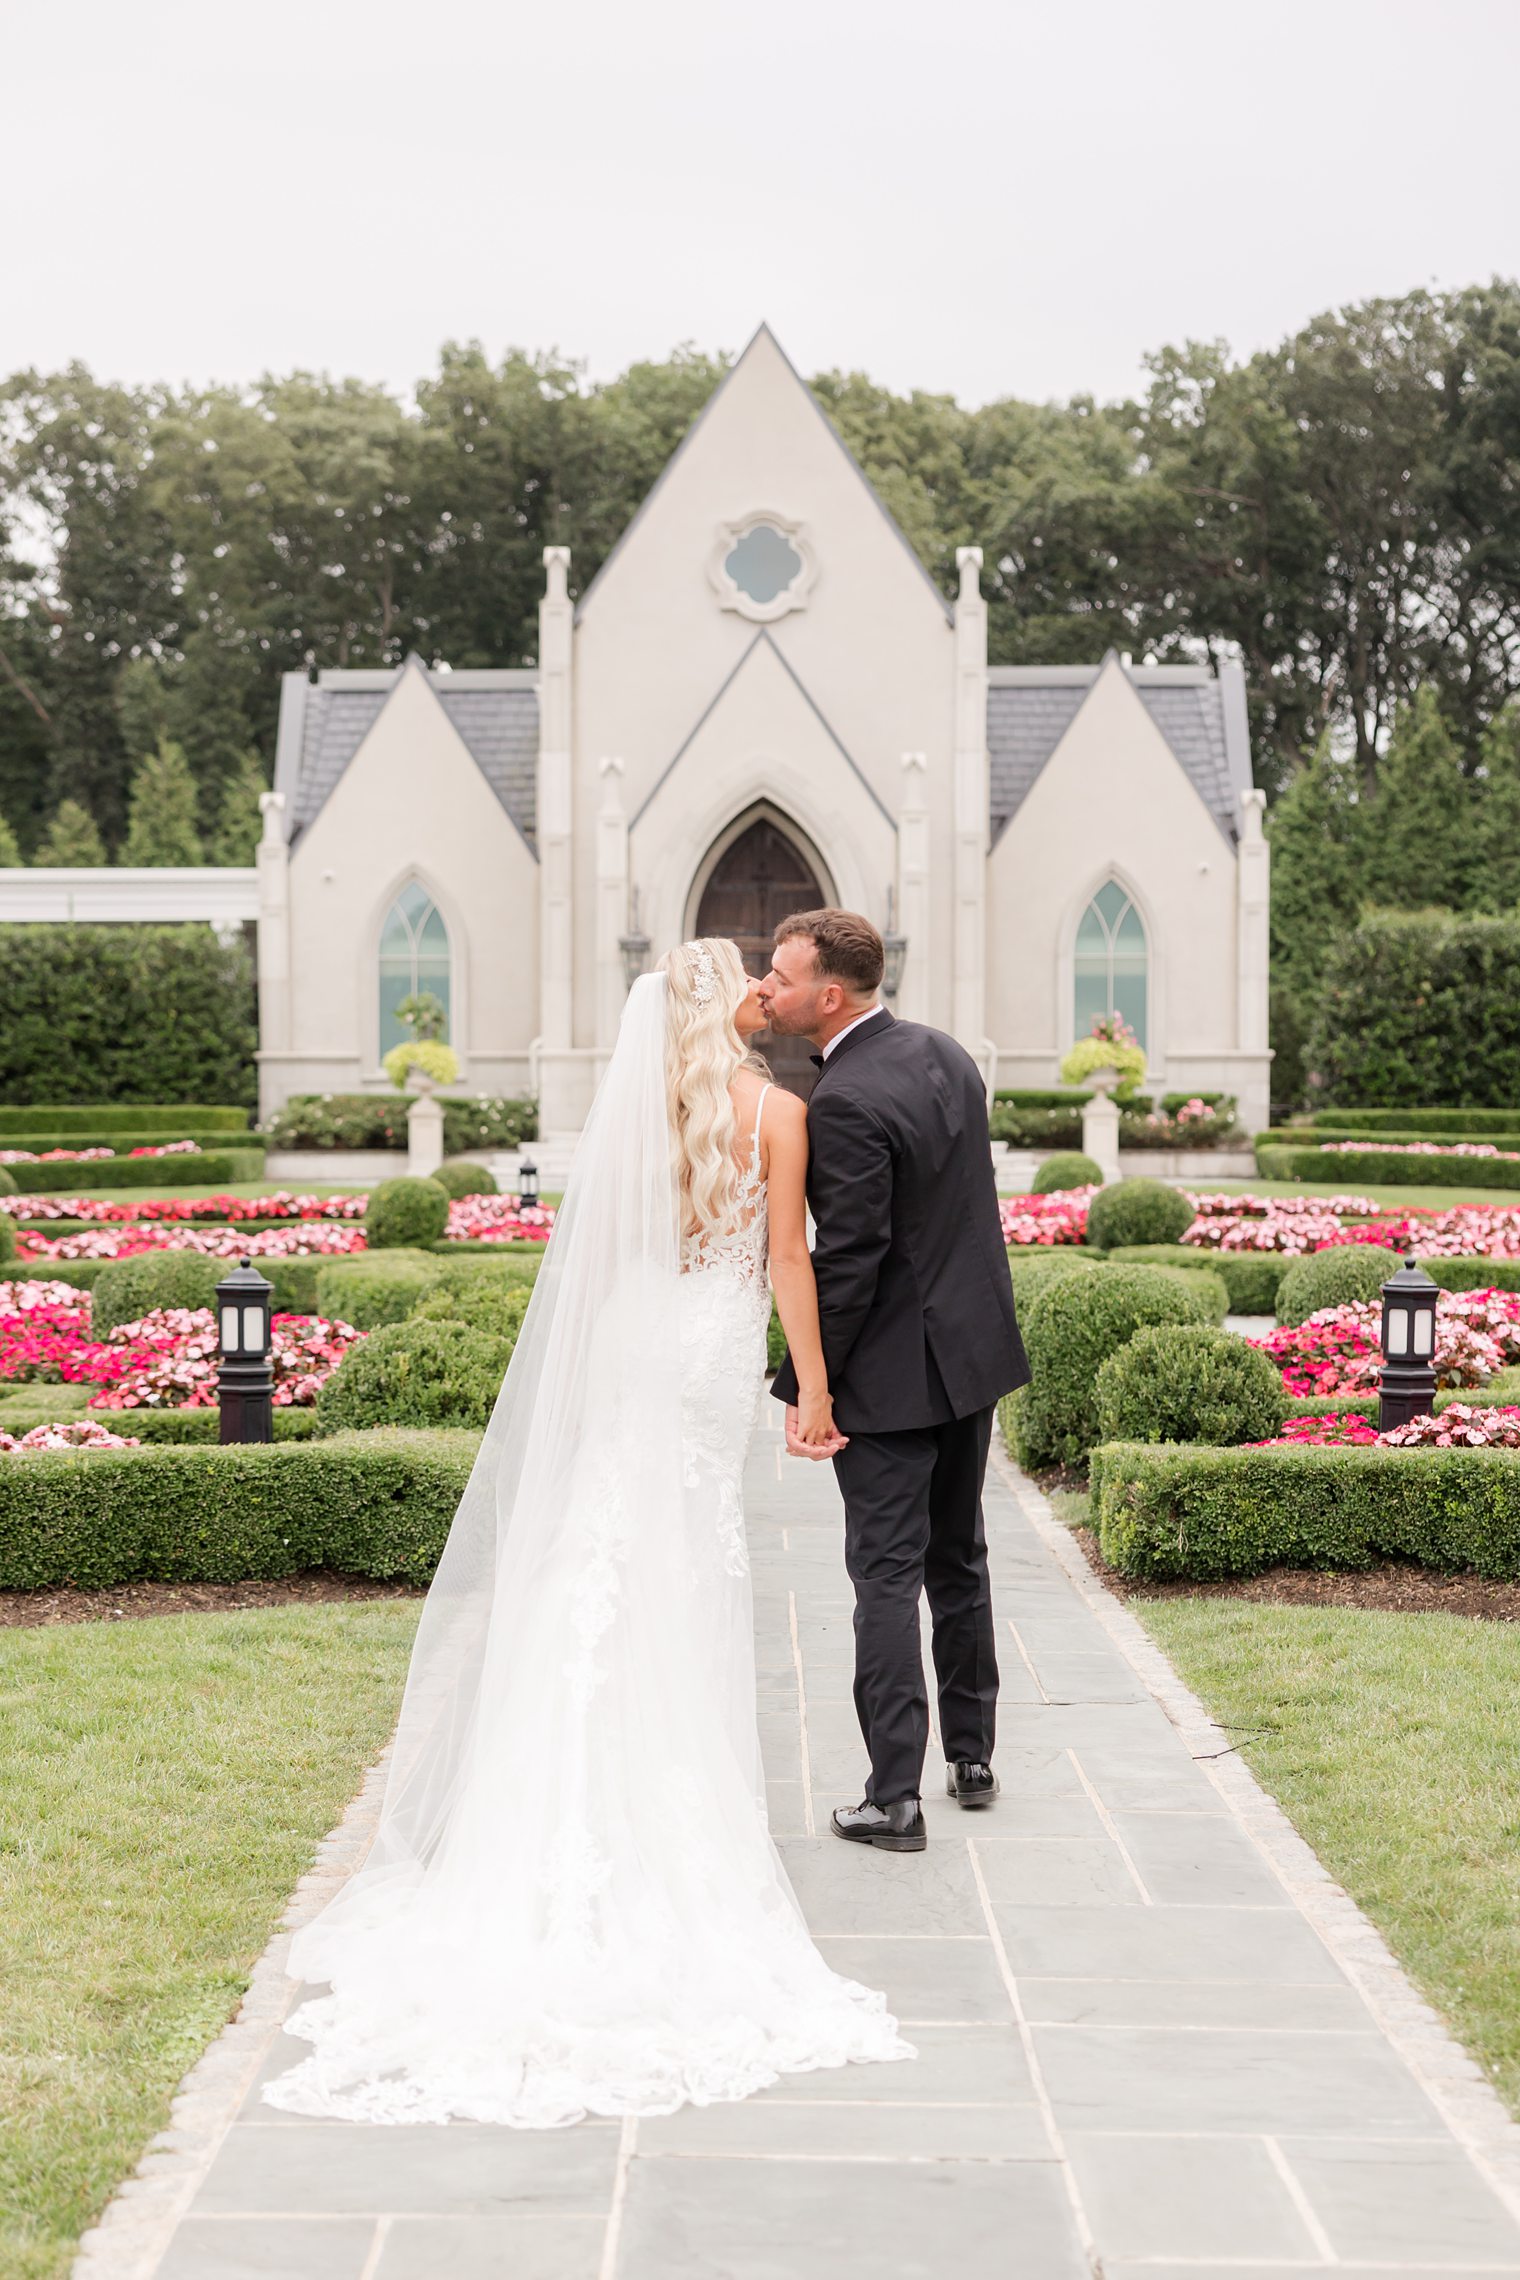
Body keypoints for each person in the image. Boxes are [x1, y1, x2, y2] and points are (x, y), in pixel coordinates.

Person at [262, 940, 910, 2129]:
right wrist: (812, 1392)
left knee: (601, 1540)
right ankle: (669, 1795)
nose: (767, 996)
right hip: (708, 1352)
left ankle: (561, 1779)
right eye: (750, 985)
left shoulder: (636, 1121)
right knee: (685, 1551)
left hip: (630, 1340)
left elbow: (604, 1267)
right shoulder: (775, 1113)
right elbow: (782, 1261)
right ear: (730, 1012)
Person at [762, 909, 1029, 1853]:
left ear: (829, 995)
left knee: (883, 1575)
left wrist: (807, 1384)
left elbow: (851, 1262)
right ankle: (972, 1753)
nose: (768, 988)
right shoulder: (946, 1053)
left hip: (890, 1378)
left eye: (781, 977)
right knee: (959, 1555)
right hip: (973, 1356)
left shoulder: (839, 1101)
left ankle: (893, 1798)